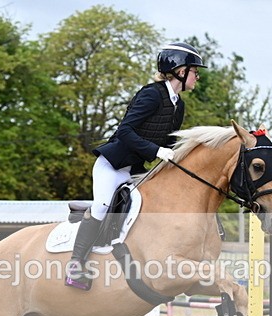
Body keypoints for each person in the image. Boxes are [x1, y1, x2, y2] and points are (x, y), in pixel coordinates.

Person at [65, 42, 207, 290]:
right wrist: (156, 151)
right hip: (113, 165)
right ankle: (75, 265)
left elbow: (170, 139)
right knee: (102, 206)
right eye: (195, 71)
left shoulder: (178, 105)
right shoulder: (151, 94)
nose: (198, 76)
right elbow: (125, 131)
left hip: (136, 170)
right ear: (180, 71)